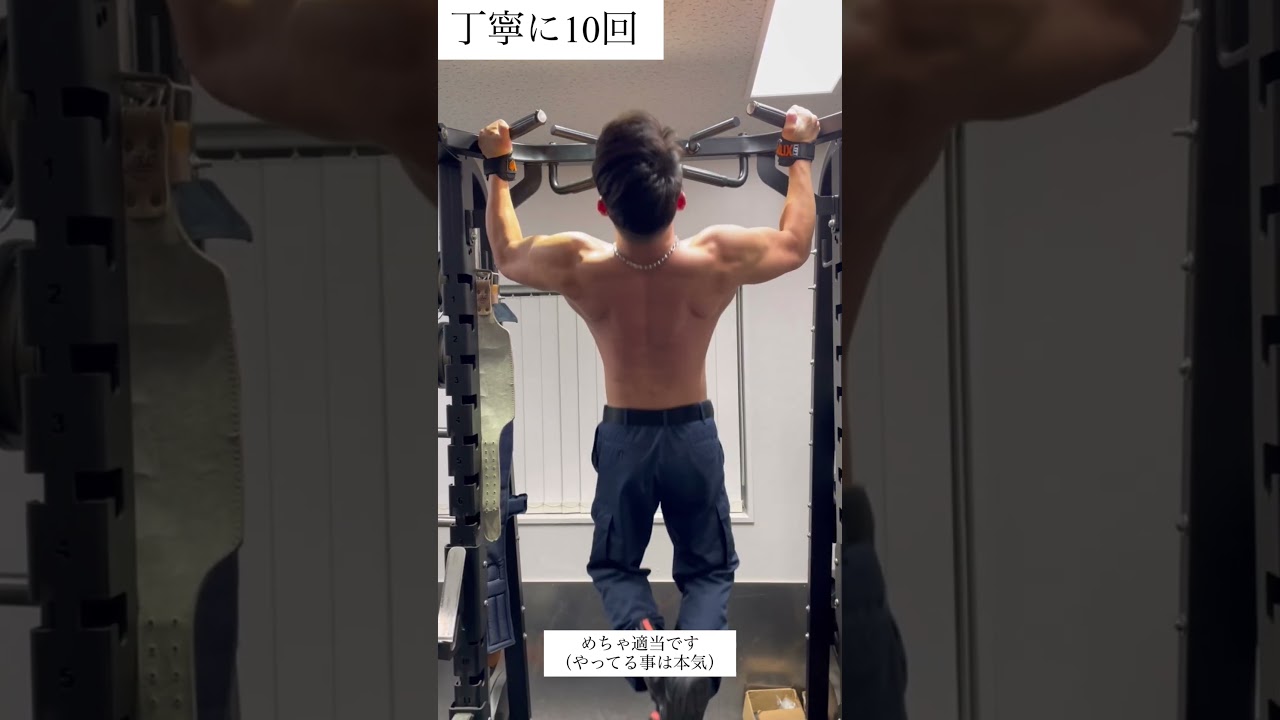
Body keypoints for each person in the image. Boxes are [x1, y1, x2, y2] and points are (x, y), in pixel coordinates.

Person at [475, 107, 821, 720]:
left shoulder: (579, 263)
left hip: (625, 440)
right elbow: (795, 245)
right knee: (709, 571)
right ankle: (686, 673)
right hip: (692, 436)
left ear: (603, 207)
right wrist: (798, 155)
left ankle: (653, 655)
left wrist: (500, 169)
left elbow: (505, 252)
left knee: (614, 566)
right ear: (680, 200)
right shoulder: (716, 257)